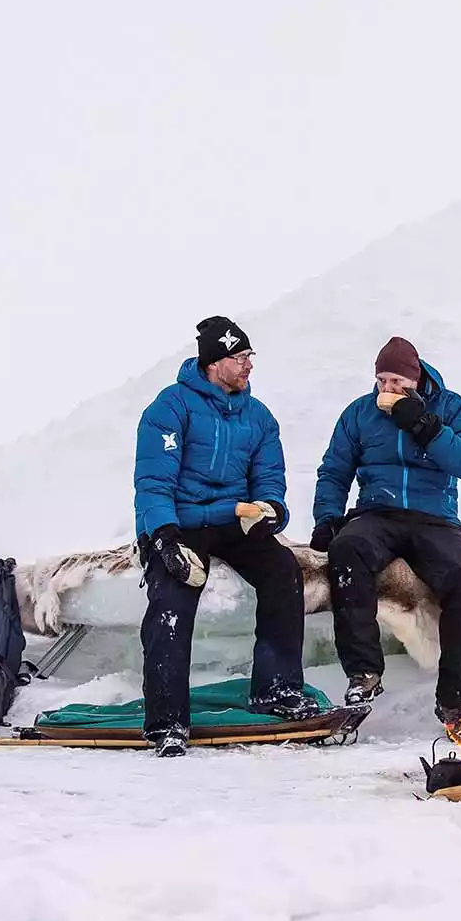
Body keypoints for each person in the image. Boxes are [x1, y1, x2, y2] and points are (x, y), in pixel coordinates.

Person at [133, 316, 319, 757]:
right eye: (240, 357)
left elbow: (270, 477)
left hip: (235, 522)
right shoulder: (170, 408)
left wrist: (271, 509)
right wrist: (162, 536)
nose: (249, 364)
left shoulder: (258, 417)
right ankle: (167, 722)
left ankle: (276, 689)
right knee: (173, 598)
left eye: (249, 355)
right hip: (179, 522)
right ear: (216, 363)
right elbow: (153, 483)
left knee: (283, 572)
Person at [310, 336, 461, 741]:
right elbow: (334, 470)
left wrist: (424, 425)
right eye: (381, 381)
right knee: (347, 550)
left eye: (396, 383)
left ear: (415, 378)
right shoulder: (359, 414)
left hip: (435, 519)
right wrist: (327, 518)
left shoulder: (449, 406)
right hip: (378, 512)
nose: (387, 391)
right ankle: (364, 671)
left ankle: (456, 700)